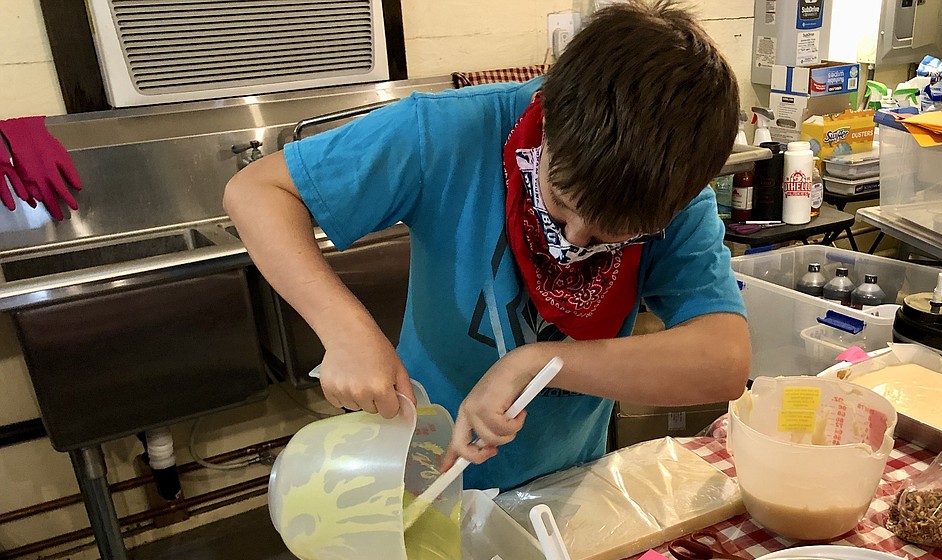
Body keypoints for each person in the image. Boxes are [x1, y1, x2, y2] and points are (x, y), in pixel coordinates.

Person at [224, 0, 750, 492]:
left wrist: (538, 363)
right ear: (550, 120)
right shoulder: (445, 132)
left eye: (610, 235)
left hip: (565, 481)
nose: (574, 240)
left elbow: (725, 359)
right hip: (423, 468)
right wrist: (347, 331)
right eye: (561, 203)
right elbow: (256, 191)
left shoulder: (673, 190)